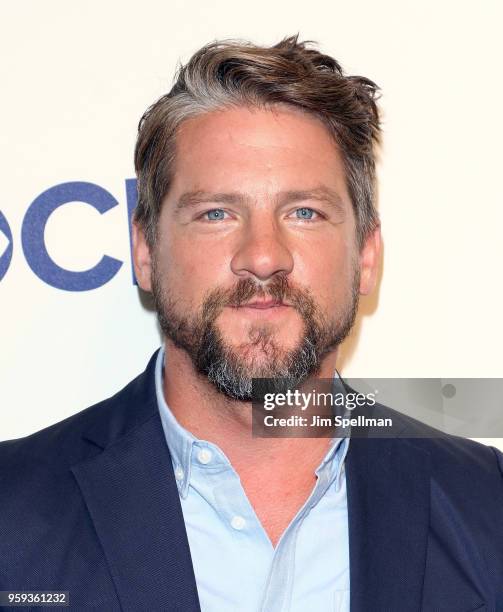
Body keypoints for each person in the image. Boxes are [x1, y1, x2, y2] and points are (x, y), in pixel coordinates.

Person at [0, 35, 502, 612]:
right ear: (144, 249)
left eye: (304, 213)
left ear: (366, 255)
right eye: (217, 213)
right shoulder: (11, 511)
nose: (263, 255)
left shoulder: (486, 505)